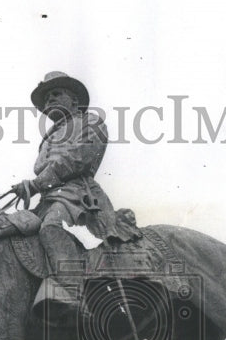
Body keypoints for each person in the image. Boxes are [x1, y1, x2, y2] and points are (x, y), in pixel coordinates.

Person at [12, 71, 136, 325]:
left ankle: (74, 295)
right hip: (50, 198)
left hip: (79, 195)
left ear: (74, 101)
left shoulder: (91, 122)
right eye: (46, 99)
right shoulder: (46, 139)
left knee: (50, 228)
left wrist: (36, 183)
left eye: (56, 94)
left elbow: (76, 158)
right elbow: (43, 168)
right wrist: (29, 186)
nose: (49, 101)